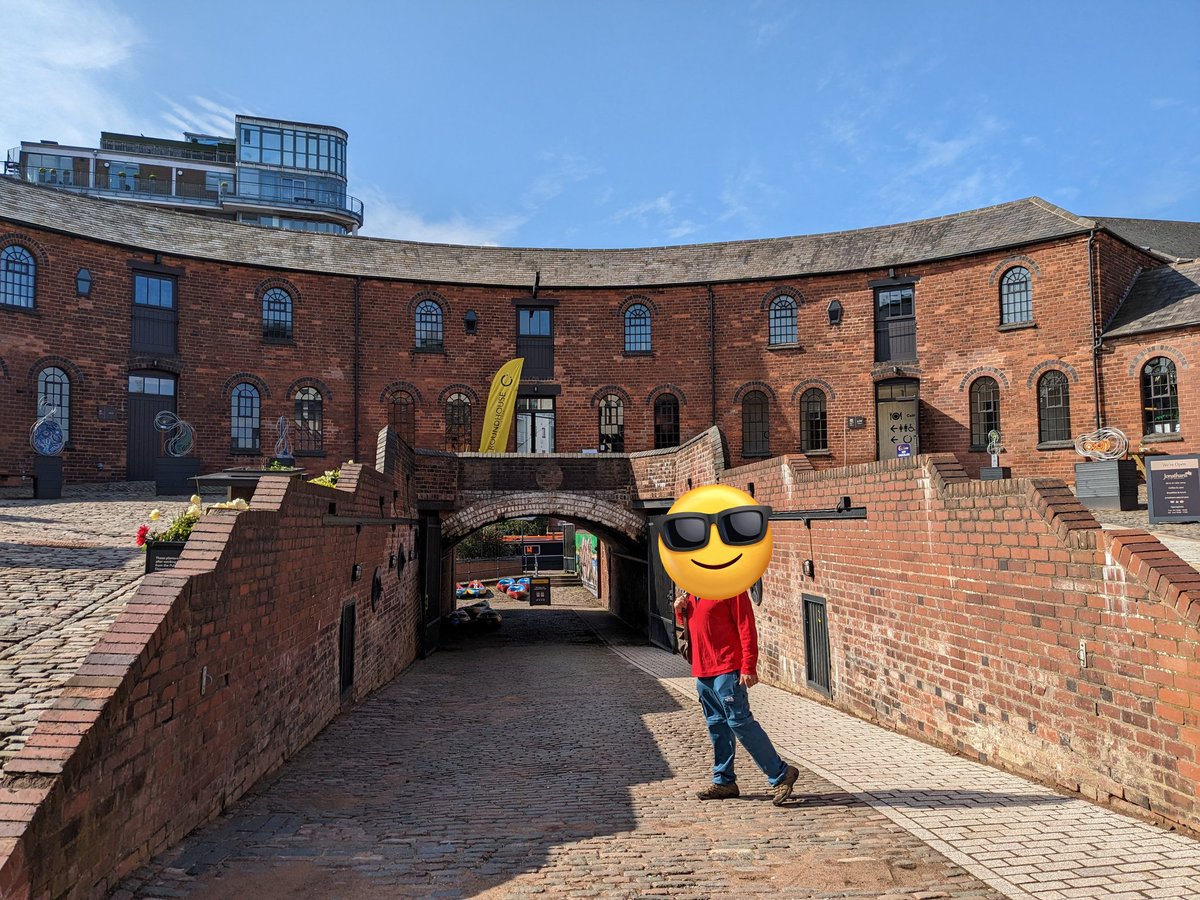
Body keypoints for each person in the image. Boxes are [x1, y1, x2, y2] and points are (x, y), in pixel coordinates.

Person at [674, 589, 799, 804]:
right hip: (703, 672)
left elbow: (746, 627)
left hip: (727, 668)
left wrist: (748, 666)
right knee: (717, 726)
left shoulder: (732, 588)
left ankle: (781, 774)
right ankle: (724, 781)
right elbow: (694, 625)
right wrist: (680, 611)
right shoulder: (693, 590)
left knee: (740, 723)